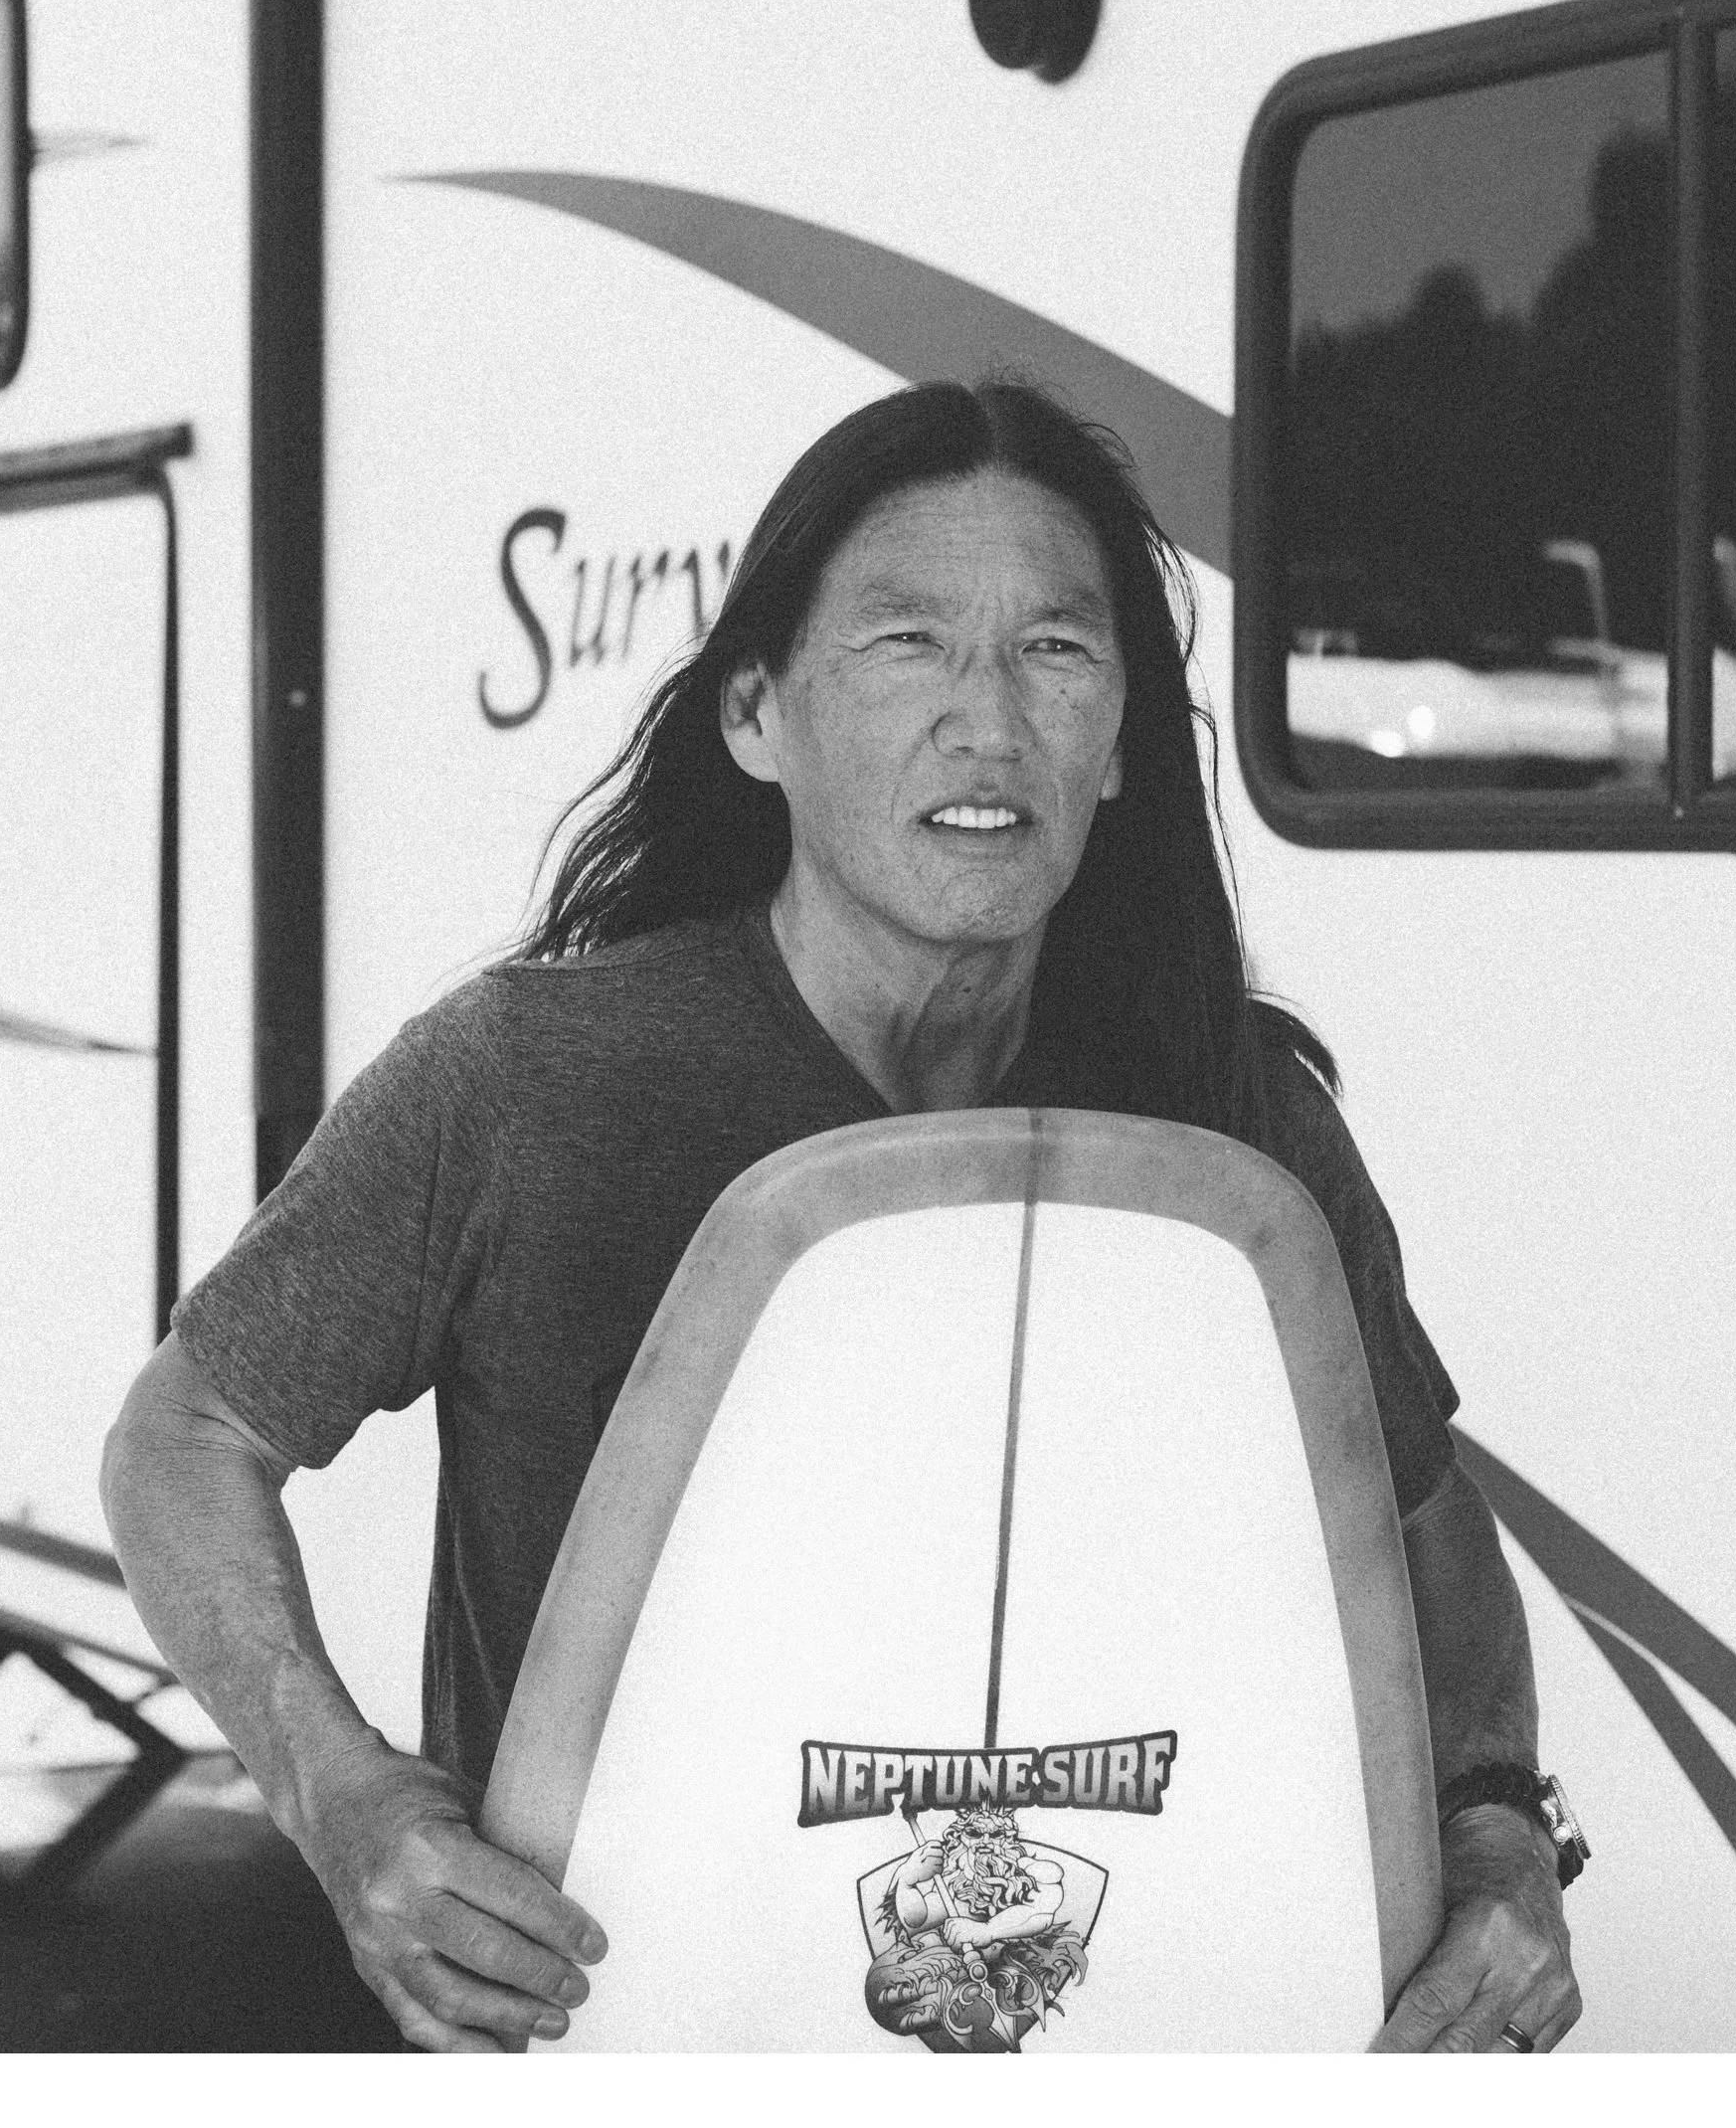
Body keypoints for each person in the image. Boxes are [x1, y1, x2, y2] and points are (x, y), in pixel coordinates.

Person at [101, 378, 1582, 2054]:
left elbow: (1423, 1516)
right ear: (756, 714)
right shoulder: (527, 1080)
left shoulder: (1232, 1121)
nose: (988, 722)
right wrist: (342, 1797)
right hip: (635, 2039)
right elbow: (185, 1436)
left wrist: (1500, 1833)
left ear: (1118, 750)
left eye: (1056, 650)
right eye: (906, 643)